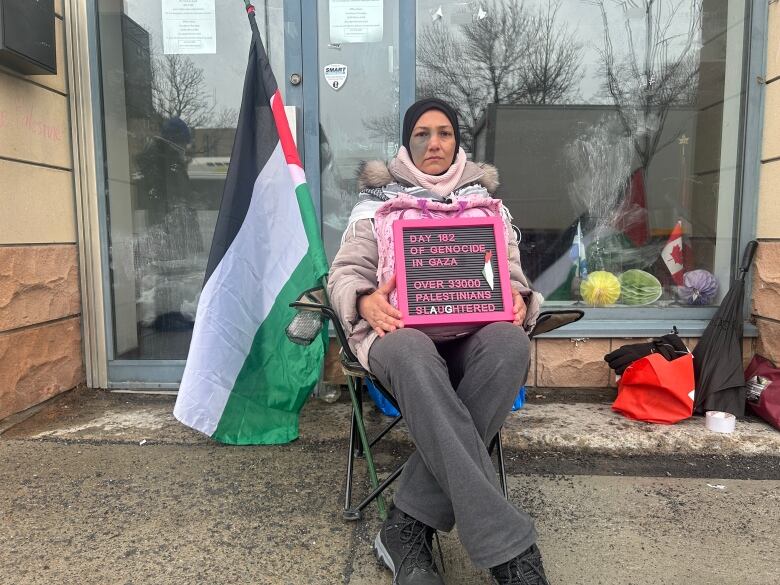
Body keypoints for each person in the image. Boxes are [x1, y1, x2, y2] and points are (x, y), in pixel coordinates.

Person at [327, 98, 547, 585]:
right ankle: (508, 547)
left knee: (510, 345)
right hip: (400, 331)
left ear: (457, 141)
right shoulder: (377, 202)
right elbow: (343, 273)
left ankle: (405, 526)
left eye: (444, 132)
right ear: (407, 143)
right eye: (422, 133)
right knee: (411, 353)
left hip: (471, 330)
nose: (433, 142)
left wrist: (518, 299)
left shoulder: (486, 205)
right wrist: (364, 301)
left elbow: (512, 276)